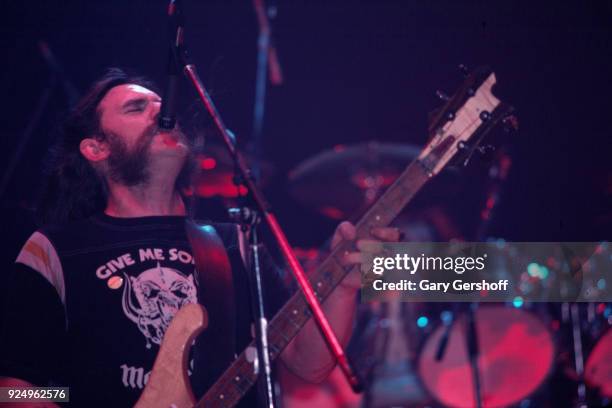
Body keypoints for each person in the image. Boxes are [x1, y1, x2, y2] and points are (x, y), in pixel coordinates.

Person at [0, 68, 399, 407]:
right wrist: (79, 396)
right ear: (96, 148)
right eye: (138, 108)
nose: (162, 111)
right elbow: (15, 390)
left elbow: (307, 363)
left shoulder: (233, 243)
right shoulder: (55, 250)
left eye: (161, 105)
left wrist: (346, 288)